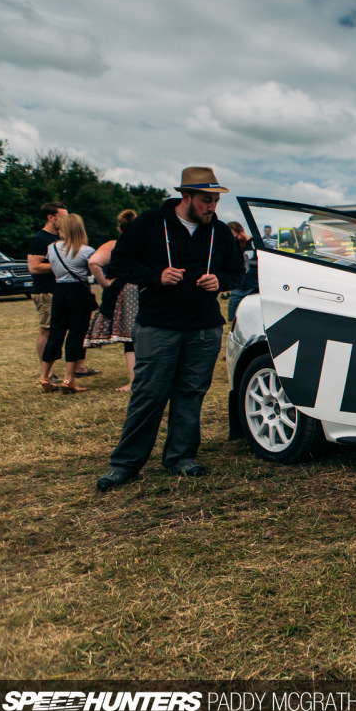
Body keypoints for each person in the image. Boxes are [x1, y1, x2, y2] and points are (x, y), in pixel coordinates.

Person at [95, 167, 245, 491]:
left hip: (204, 327)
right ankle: (125, 464)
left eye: (216, 201)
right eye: (206, 200)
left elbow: (237, 271)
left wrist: (221, 281)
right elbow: (119, 262)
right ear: (186, 196)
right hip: (158, 324)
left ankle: (180, 457)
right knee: (148, 394)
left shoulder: (219, 232)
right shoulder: (150, 222)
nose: (212, 207)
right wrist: (156, 275)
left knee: (191, 394)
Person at [28, 202, 96, 380]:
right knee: (49, 330)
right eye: (63, 216)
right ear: (51, 218)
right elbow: (34, 267)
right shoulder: (40, 240)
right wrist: (65, 265)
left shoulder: (54, 245)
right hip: (47, 289)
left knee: (63, 330)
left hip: (58, 289)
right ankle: (51, 373)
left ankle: (78, 366)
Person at [85, 210, 139, 391]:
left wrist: (106, 284)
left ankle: (134, 381)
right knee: (144, 336)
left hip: (125, 291)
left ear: (119, 227)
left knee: (130, 339)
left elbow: (93, 262)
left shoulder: (115, 244)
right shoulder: (146, 243)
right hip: (145, 288)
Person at [226, 221, 259, 323]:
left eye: (235, 236)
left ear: (241, 231)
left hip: (254, 288)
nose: (234, 240)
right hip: (238, 288)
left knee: (253, 318)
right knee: (232, 319)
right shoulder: (234, 246)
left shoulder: (255, 243)